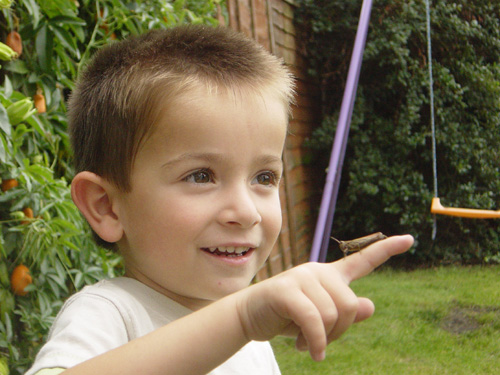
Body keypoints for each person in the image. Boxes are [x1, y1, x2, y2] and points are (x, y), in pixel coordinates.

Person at [25, 24, 414, 375]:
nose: (246, 213)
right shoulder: (110, 314)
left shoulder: (250, 334)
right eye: (200, 176)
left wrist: (245, 323)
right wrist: (242, 320)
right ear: (106, 206)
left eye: (264, 177)